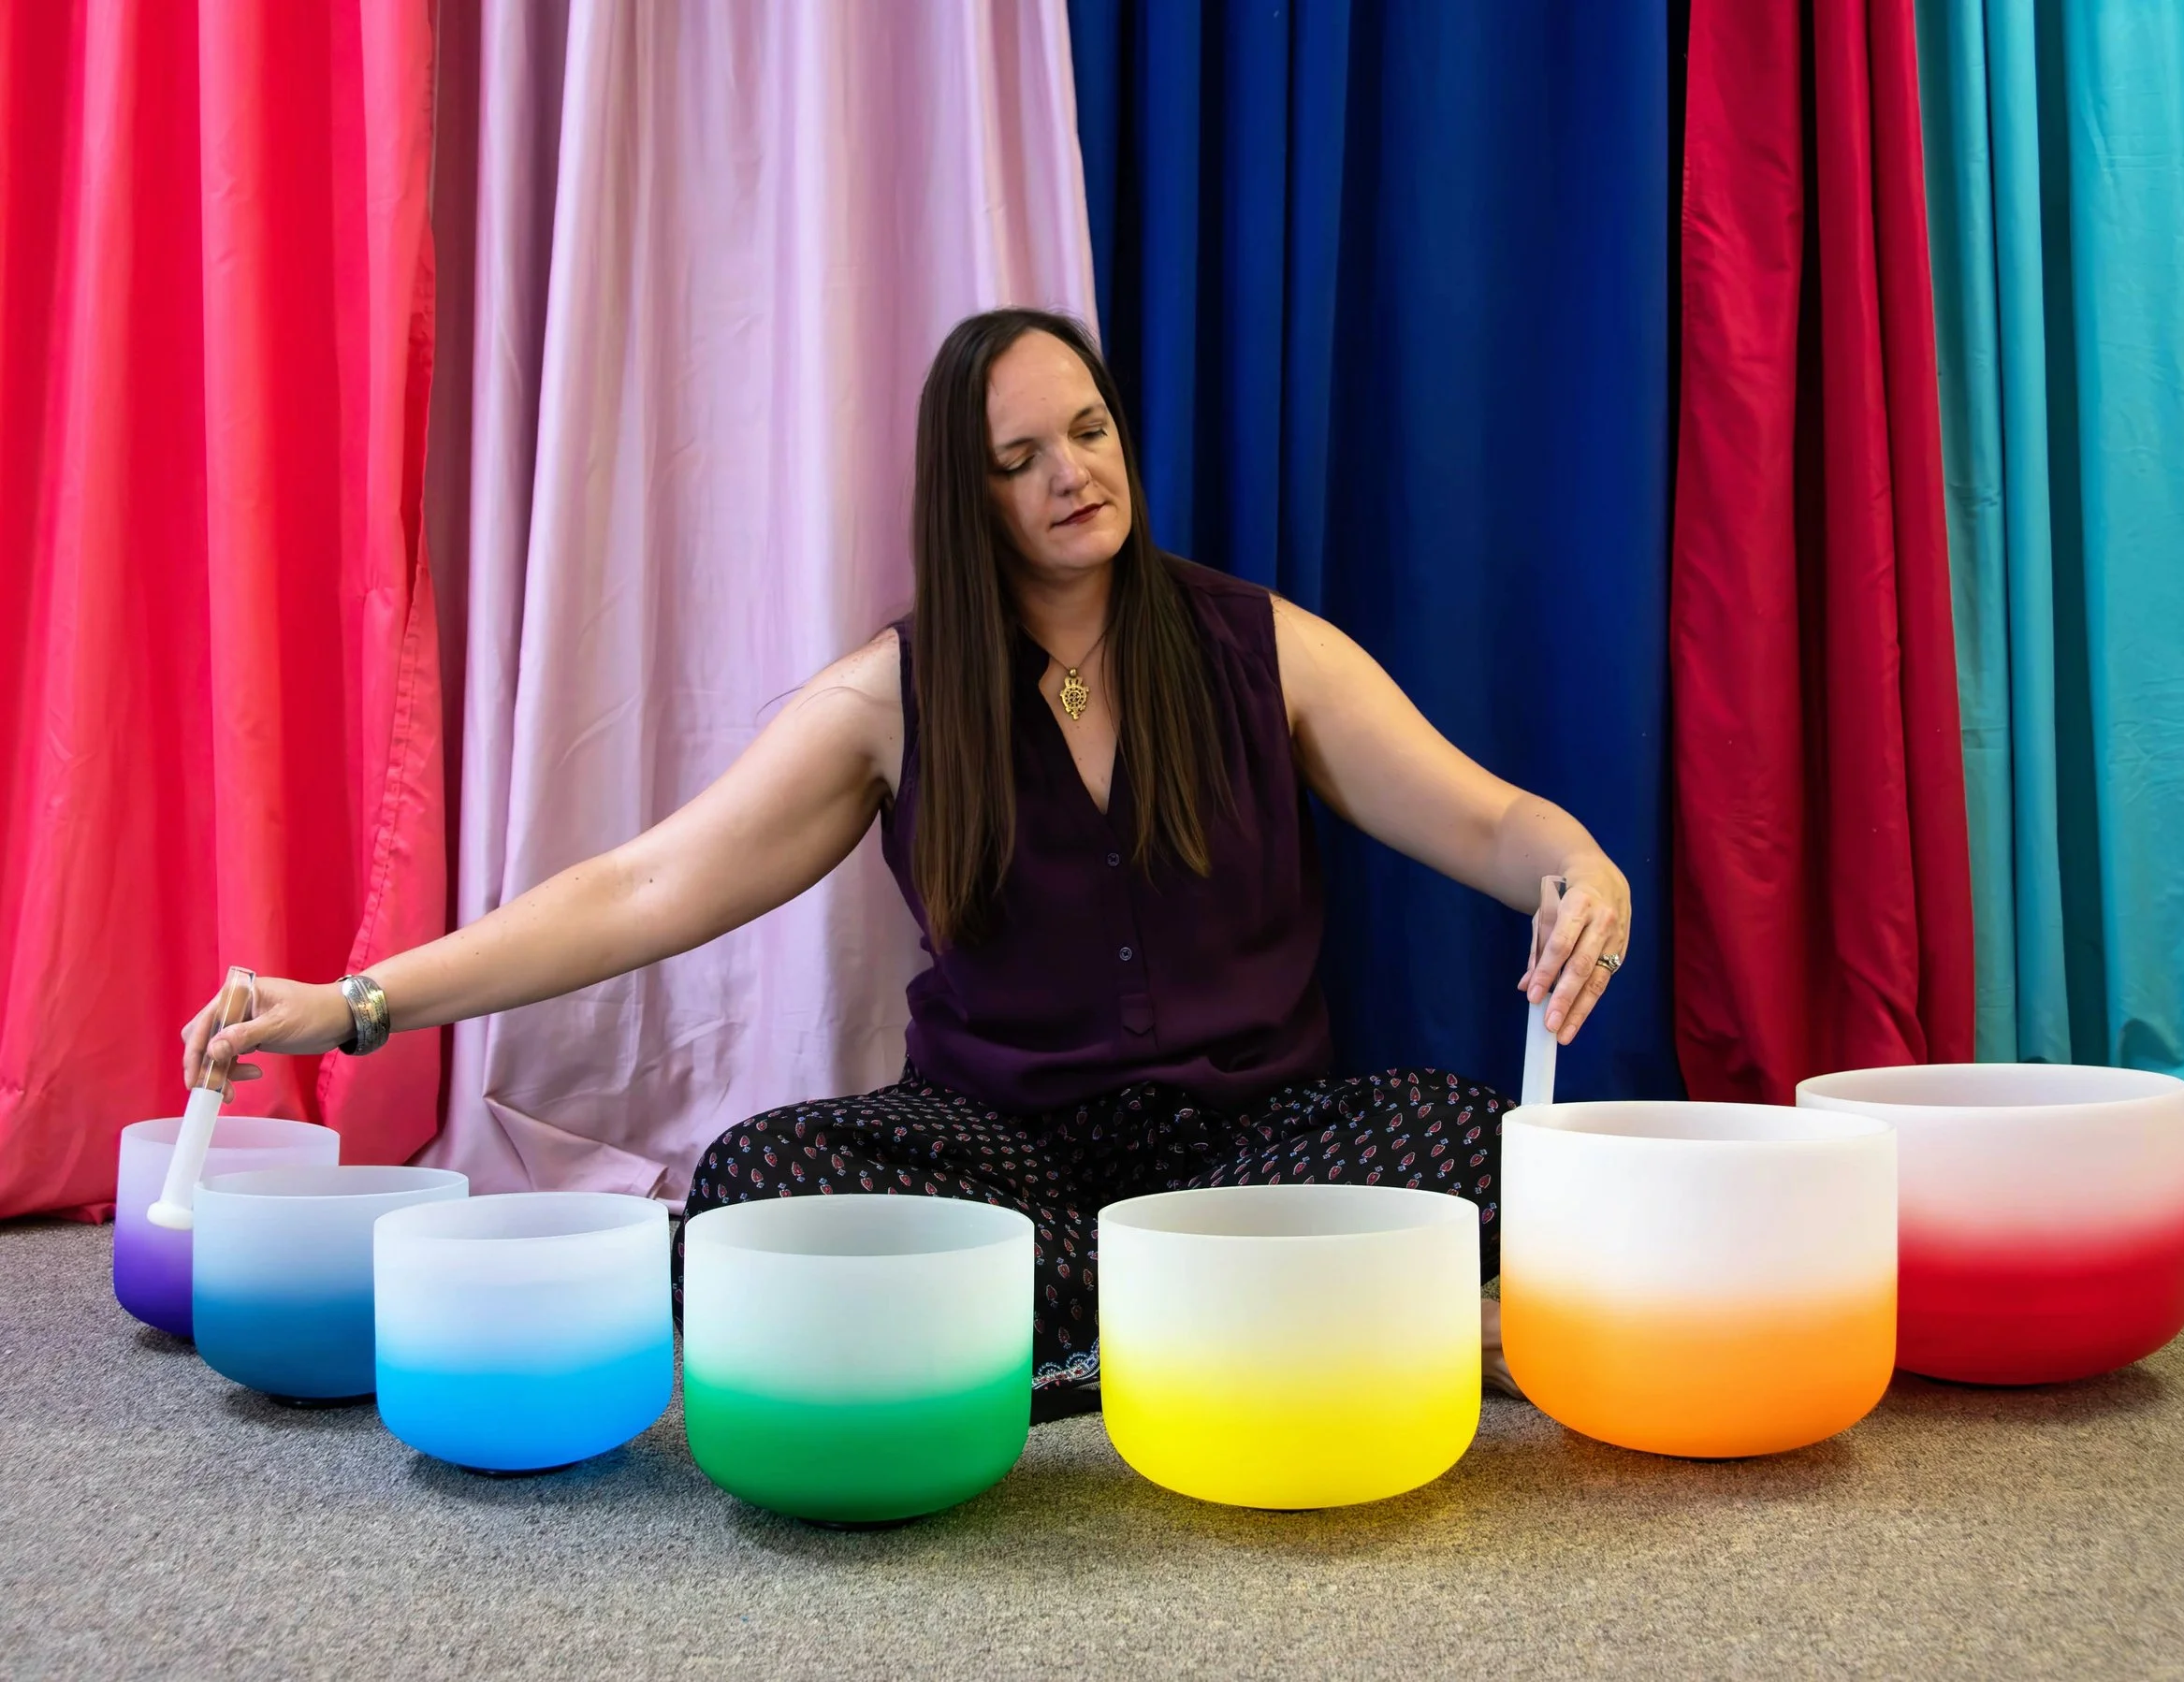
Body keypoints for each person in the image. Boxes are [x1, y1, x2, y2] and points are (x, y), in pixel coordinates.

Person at [182, 308, 1632, 1420]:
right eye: (1023, 458)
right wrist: (356, 1004)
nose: (1075, 473)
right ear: (972, 493)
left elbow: (1489, 819)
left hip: (1247, 1158)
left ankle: (1070, 1330)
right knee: (751, 1183)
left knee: (1474, 1134)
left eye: (1089, 430)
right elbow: (640, 888)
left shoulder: (1262, 648)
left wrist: (1576, 868)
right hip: (1004, 1169)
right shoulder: (892, 696)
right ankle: (1249, 1319)